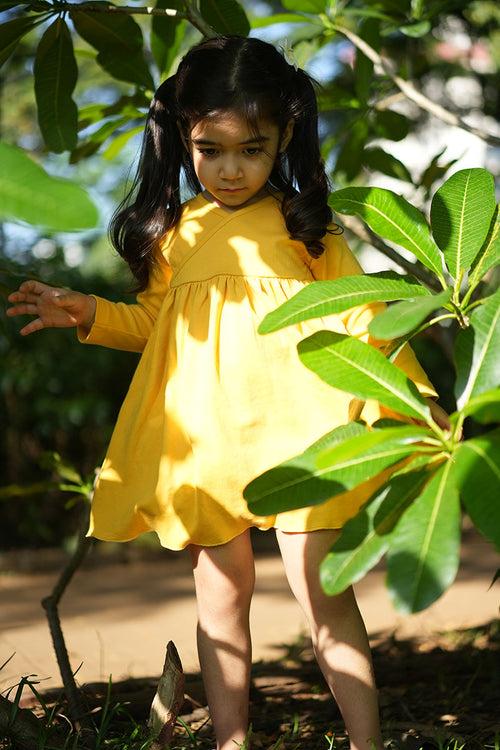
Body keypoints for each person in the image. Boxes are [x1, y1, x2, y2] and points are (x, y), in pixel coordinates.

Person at [7, 35, 450, 750]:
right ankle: (230, 740)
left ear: (284, 138)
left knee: (324, 596)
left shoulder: (309, 229)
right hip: (207, 444)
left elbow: (369, 320)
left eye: (253, 148)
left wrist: (420, 403)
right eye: (211, 150)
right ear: (184, 140)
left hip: (308, 442)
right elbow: (158, 325)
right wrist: (89, 313)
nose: (231, 169)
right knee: (219, 600)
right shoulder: (176, 232)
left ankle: (370, 744)